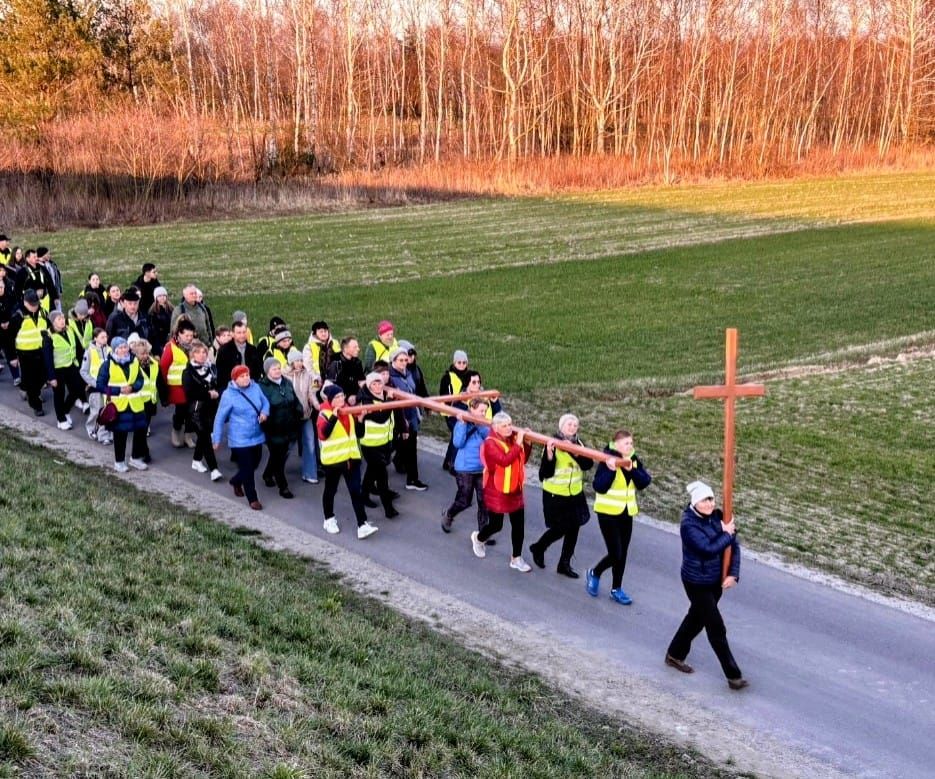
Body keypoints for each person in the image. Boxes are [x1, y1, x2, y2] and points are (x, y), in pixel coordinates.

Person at [665, 480, 747, 690]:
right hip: (696, 582)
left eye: (711, 499)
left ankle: (674, 654)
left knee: (695, 619)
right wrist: (726, 534)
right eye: (704, 500)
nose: (709, 504)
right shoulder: (688, 524)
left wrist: (733, 574)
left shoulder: (718, 517)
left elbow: (734, 547)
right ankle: (733, 676)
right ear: (695, 502)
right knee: (715, 627)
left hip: (715, 581)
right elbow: (707, 549)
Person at [586, 430, 652, 605]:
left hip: (626, 512)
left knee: (623, 553)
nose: (629, 446)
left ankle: (616, 589)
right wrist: (610, 470)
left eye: (631, 443)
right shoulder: (607, 459)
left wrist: (632, 470)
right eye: (625, 443)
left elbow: (644, 481)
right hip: (607, 513)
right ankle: (595, 572)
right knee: (616, 553)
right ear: (616, 445)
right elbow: (599, 486)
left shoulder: (633, 460)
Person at [529, 414, 593, 579]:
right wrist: (550, 455)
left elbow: (588, 464)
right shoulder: (552, 444)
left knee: (574, 528)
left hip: (575, 493)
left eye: (575, 425)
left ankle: (564, 563)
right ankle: (539, 547)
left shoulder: (578, 444)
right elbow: (545, 473)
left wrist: (575, 452)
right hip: (556, 494)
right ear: (561, 427)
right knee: (562, 527)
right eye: (569, 424)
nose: (572, 427)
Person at [472, 412, 533, 572]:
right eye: (504, 426)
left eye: (510, 424)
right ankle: (478, 538)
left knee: (518, 525)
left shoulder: (512, 440)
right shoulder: (490, 443)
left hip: (515, 489)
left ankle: (516, 558)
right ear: (496, 427)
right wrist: (519, 442)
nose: (509, 428)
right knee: (496, 525)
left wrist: (526, 443)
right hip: (497, 491)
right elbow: (505, 461)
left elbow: (522, 459)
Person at [317, 384, 378, 539]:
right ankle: (328, 519)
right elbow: (323, 434)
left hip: (352, 459)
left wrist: (360, 420)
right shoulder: (324, 414)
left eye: (342, 396)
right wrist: (334, 417)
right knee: (330, 490)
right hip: (334, 461)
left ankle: (362, 524)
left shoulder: (348, 411)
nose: (341, 399)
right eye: (337, 397)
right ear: (330, 399)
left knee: (356, 491)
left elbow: (358, 434)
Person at [212, 365, 269, 510]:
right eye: (242, 376)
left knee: (255, 463)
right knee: (248, 468)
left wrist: (264, 412)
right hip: (239, 438)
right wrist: (216, 439)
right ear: (235, 379)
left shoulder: (255, 388)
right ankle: (253, 499)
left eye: (247, 375)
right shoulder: (228, 395)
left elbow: (265, 402)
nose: (246, 378)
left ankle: (236, 481)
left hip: (256, 434)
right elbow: (219, 418)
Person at [96, 336, 148, 472]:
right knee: (120, 434)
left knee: (140, 431)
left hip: (135, 403)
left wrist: (133, 387)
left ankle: (135, 458)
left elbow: (140, 379)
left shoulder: (134, 361)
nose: (124, 350)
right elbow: (100, 385)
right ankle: (119, 462)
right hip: (119, 405)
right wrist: (118, 390)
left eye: (125, 347)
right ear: (115, 350)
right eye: (121, 348)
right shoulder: (107, 365)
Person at [442, 397, 491, 536]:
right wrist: (463, 424)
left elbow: (488, 438)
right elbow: (458, 443)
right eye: (481, 411)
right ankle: (449, 514)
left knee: (484, 502)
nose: (483, 414)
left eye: (485, 411)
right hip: (465, 468)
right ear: (472, 409)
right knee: (464, 501)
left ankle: (483, 534)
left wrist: (479, 424)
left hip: (481, 468)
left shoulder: (484, 424)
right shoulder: (461, 423)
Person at [355, 371, 401, 518]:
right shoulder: (366, 401)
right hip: (370, 445)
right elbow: (381, 418)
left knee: (372, 472)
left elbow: (392, 417)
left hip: (384, 442)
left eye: (379, 382)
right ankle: (389, 509)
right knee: (382, 477)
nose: (377, 386)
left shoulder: (384, 397)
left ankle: (363, 494)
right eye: (373, 384)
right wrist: (390, 401)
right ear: (369, 386)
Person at [258, 357, 303, 499]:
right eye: (274, 369)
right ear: (267, 371)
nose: (277, 371)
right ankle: (283, 487)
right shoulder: (262, 387)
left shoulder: (286, 382)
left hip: (289, 426)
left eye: (278, 368)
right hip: (273, 428)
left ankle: (267, 474)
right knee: (279, 458)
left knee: (279, 455)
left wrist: (299, 411)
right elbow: (261, 407)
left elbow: (295, 400)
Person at [388, 347, 428, 491]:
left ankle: (412, 479)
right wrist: (402, 420)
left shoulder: (408, 373)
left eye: (405, 360)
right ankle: (371, 483)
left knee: (411, 449)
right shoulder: (390, 378)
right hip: (400, 419)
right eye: (400, 360)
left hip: (411, 416)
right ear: (393, 361)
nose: (404, 363)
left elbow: (414, 390)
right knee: (391, 448)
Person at [182, 340, 223, 481]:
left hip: (211, 408)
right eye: (198, 352)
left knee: (203, 436)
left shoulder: (212, 368)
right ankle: (214, 469)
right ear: (192, 355)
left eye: (204, 352)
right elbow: (189, 392)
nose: (202, 355)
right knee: (205, 437)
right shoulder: (188, 372)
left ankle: (196, 460)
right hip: (196, 410)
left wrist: (216, 392)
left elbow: (219, 384)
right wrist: (208, 394)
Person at [11, 289, 54, 415]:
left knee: (42, 376)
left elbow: (49, 327)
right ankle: (36, 405)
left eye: (36, 304)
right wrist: (12, 357)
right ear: (25, 302)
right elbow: (9, 337)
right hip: (25, 353)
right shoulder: (18, 316)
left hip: (40, 350)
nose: (35, 307)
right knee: (32, 380)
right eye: (32, 305)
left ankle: (25, 387)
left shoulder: (43, 312)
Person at [283, 347, 321, 485]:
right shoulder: (284, 376)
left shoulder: (308, 375)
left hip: (306, 415)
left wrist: (316, 405)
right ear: (291, 362)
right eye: (296, 361)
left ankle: (309, 473)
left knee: (310, 443)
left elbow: (311, 393)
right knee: (287, 446)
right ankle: (275, 469)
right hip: (291, 417)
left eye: (301, 360)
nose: (299, 363)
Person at [48, 310, 88, 430]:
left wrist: (82, 365)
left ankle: (65, 410)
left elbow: (78, 348)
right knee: (59, 394)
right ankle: (61, 420)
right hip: (58, 369)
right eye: (59, 319)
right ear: (53, 322)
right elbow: (47, 358)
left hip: (71, 365)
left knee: (78, 389)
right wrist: (51, 377)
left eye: (63, 318)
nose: (62, 321)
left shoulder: (69, 330)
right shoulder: (49, 336)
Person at [160, 319, 196, 447]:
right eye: (186, 335)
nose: (189, 338)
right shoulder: (171, 348)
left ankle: (188, 436)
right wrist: (165, 388)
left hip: (192, 386)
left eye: (191, 335)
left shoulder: (194, 347)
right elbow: (163, 367)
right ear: (179, 334)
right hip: (177, 387)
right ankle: (176, 432)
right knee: (181, 412)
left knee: (192, 412)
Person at [79, 327, 113, 444]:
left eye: (106, 337)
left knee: (106, 411)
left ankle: (104, 435)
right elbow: (83, 371)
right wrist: (94, 383)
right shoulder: (89, 351)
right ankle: (92, 429)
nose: (105, 339)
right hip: (95, 387)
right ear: (95, 338)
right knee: (96, 411)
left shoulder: (110, 350)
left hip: (108, 387)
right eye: (102, 337)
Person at [440, 350, 472, 471]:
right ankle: (453, 463)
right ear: (454, 363)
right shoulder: (447, 377)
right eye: (459, 362)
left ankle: (448, 461)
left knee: (456, 435)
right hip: (450, 412)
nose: (462, 365)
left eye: (464, 362)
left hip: (464, 411)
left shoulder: (470, 376)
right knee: (459, 435)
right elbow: (444, 397)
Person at [130, 337, 159, 462]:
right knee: (140, 430)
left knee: (143, 429)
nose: (145, 355)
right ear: (136, 354)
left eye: (147, 352)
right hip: (138, 402)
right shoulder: (132, 366)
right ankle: (139, 454)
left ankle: (141, 453)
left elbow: (157, 381)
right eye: (142, 353)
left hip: (150, 401)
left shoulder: (153, 364)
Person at [216, 320, 263, 393]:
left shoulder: (253, 350)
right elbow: (221, 375)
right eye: (239, 333)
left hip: (251, 387)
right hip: (231, 389)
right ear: (232, 334)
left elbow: (258, 371)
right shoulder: (224, 351)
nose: (242, 335)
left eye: (244, 332)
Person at [326, 336, 365, 404]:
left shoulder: (357, 362)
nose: (358, 349)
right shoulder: (335, 361)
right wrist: (347, 397)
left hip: (356, 397)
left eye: (357, 347)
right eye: (355, 347)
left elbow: (361, 380)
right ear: (345, 349)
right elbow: (331, 385)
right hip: (339, 398)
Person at [147, 286, 172, 356]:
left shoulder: (171, 309)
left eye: (164, 295)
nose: (162, 297)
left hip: (170, 337)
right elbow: (153, 329)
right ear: (156, 298)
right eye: (159, 296)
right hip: (159, 340)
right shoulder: (152, 311)